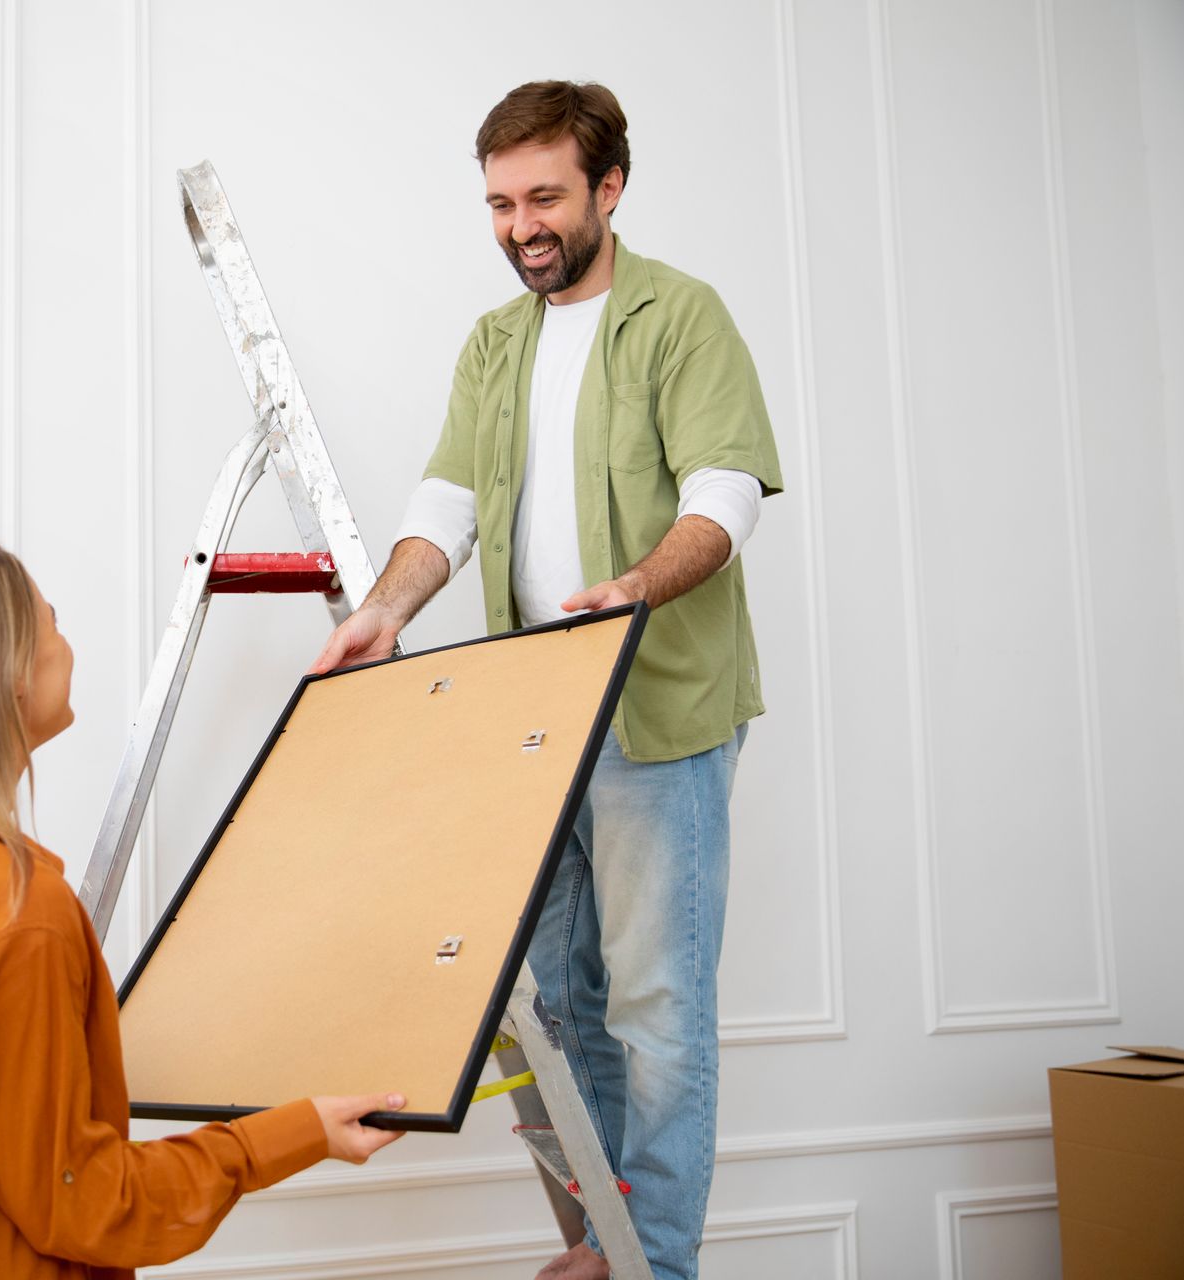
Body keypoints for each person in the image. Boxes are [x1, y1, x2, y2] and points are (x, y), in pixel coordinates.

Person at [310, 82, 782, 1280]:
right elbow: (449, 503)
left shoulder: (683, 317)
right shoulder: (495, 342)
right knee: (554, 1007)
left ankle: (656, 1259)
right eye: (501, 202)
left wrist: (637, 586)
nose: (522, 224)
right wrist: (385, 610)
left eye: (545, 197)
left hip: (655, 712)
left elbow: (723, 492)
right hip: (532, 720)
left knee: (657, 1008)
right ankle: (597, 1241)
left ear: (608, 188)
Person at [0, 541, 405, 1279]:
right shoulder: (18, 915)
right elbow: (87, 1205)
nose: (67, 642)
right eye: (51, 620)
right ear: (9, 675)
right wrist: (293, 1132)